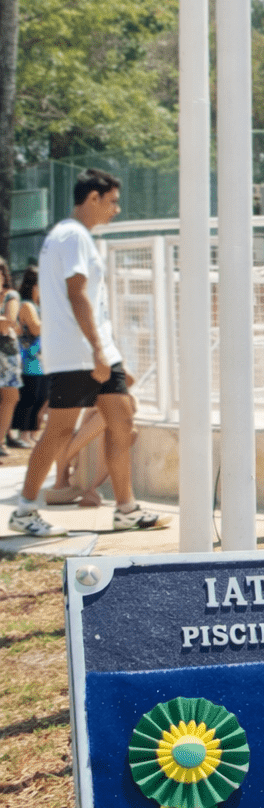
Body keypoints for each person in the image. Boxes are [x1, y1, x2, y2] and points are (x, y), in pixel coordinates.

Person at [11, 168, 164, 536]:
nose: (117, 209)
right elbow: (77, 295)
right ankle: (25, 510)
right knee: (60, 431)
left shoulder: (69, 236)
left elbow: (91, 301)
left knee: (123, 420)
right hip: (78, 354)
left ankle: (126, 509)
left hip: (94, 353)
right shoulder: (73, 236)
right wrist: (98, 350)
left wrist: (114, 358)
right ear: (92, 198)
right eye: (112, 201)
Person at [14, 266, 45, 446]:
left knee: (41, 397)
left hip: (41, 360)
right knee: (30, 397)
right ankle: (23, 434)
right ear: (34, 286)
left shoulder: (39, 306)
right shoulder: (27, 305)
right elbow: (36, 328)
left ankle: (32, 433)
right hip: (29, 360)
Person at [0, 258, 22, 458]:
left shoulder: (11, 295)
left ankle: (1, 441)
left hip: (7, 354)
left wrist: (5, 322)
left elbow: (8, 323)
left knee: (10, 397)